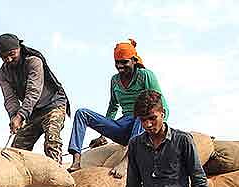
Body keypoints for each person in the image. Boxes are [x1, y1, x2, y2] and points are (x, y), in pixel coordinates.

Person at [67, 39, 167, 173]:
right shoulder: (115, 80)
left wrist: (159, 128)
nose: (120, 66)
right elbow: (113, 106)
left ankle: (126, 161)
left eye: (124, 62)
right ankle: (77, 160)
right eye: (117, 63)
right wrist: (103, 135)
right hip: (124, 125)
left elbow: (160, 105)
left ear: (134, 61)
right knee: (82, 113)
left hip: (143, 124)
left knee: (140, 114)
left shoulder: (145, 75)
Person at [0, 33, 70, 163]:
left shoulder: (33, 61)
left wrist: (20, 116)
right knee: (16, 151)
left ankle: (58, 176)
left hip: (53, 105)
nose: (9, 59)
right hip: (32, 113)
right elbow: (10, 98)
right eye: (4, 57)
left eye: (12, 54)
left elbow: (33, 91)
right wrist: (14, 116)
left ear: (19, 48)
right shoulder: (3, 73)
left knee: (52, 142)